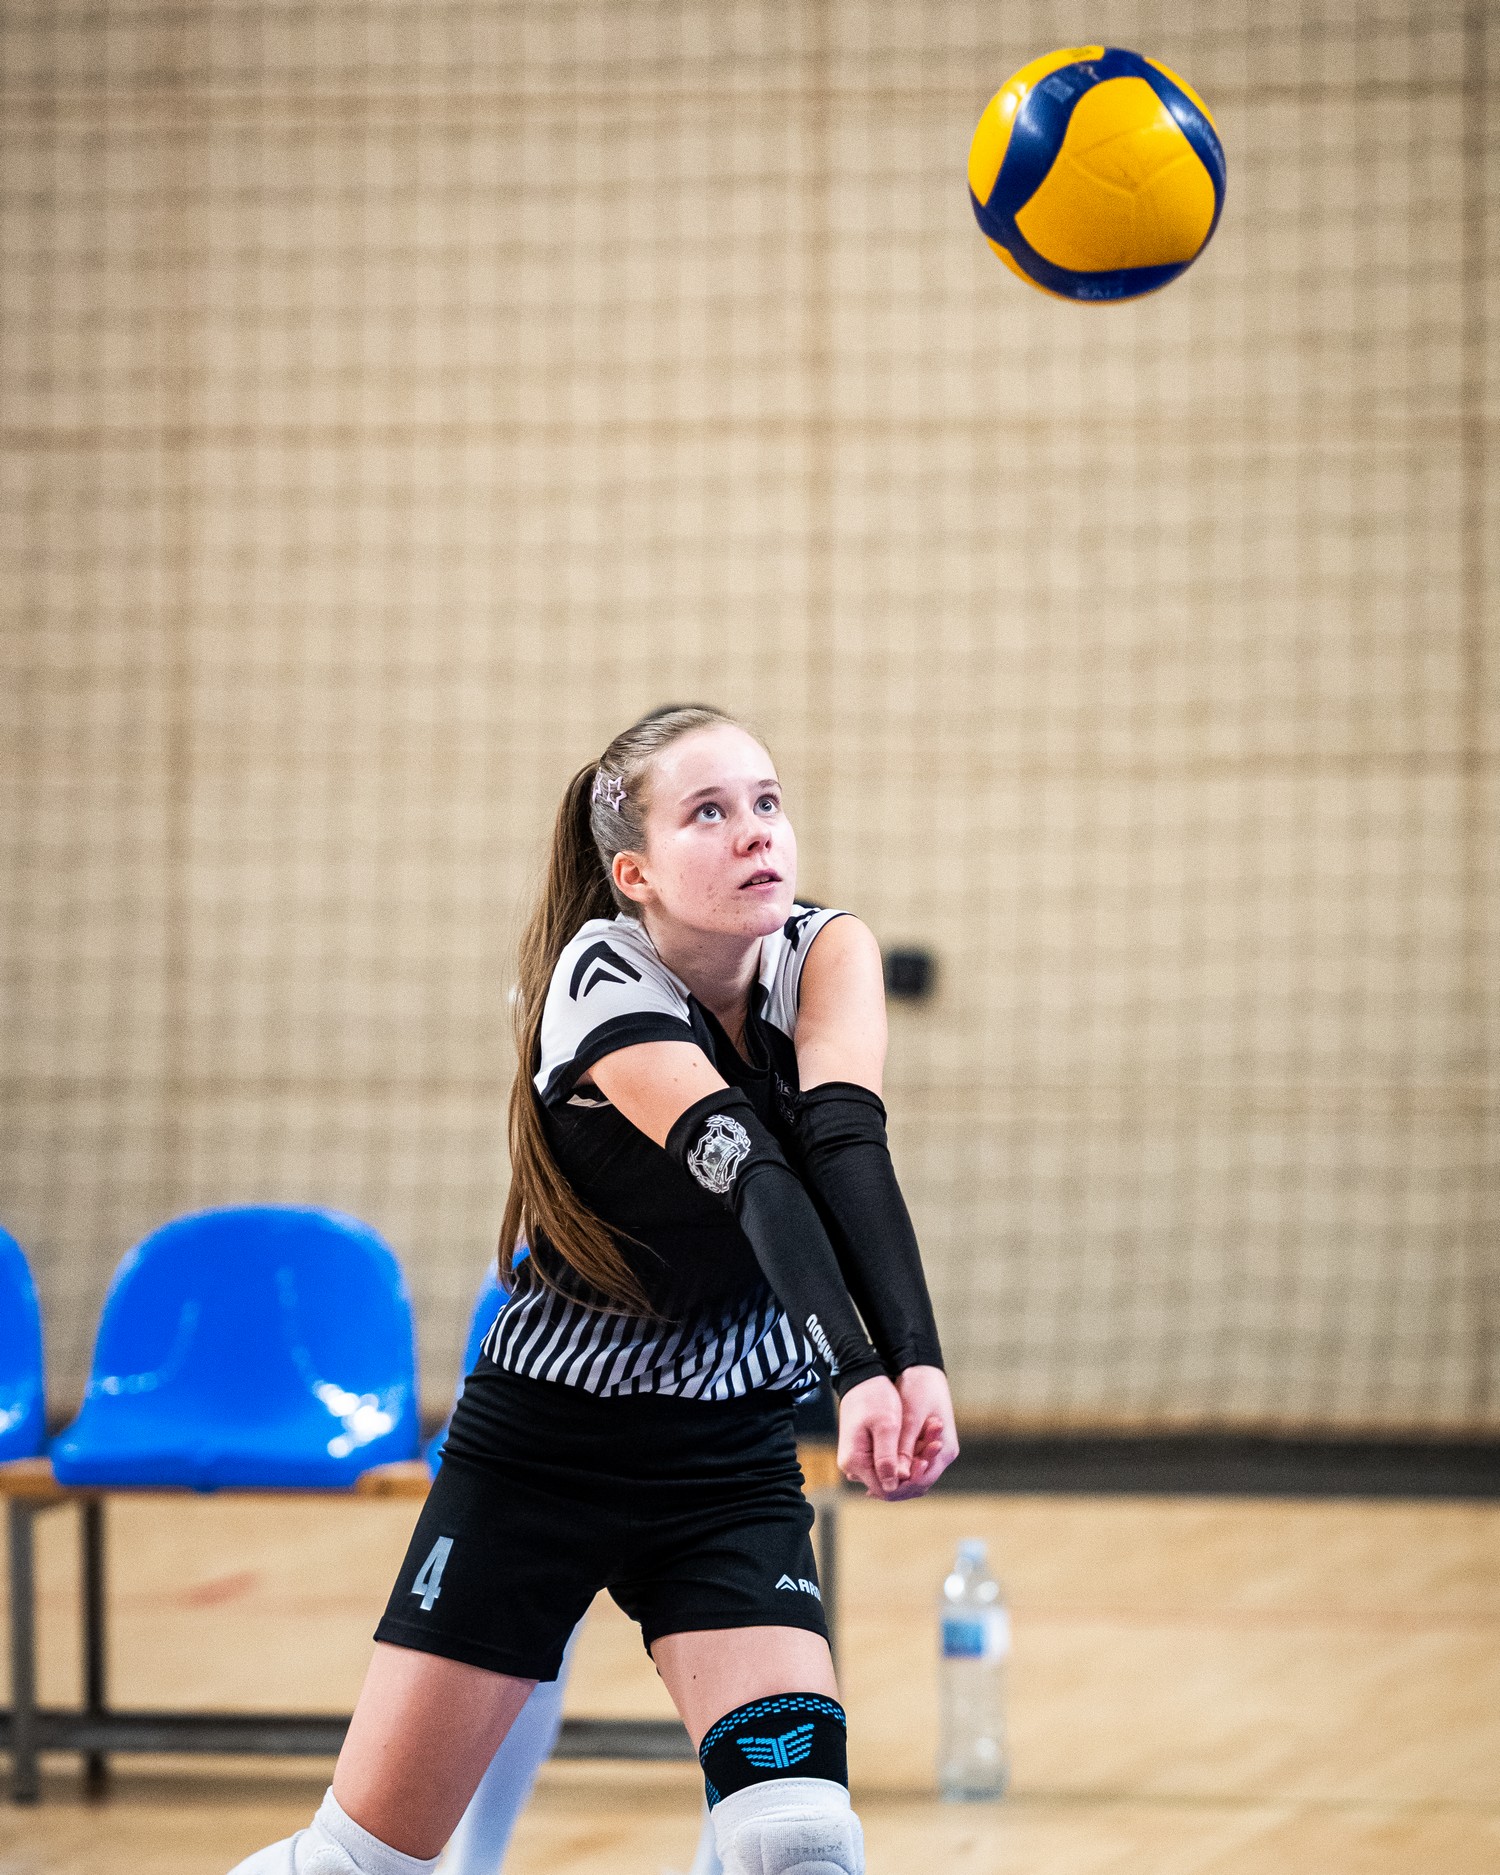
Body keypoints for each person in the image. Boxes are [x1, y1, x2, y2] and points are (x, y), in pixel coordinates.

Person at [231, 703, 958, 1875]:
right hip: (543, 1453)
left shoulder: (825, 951)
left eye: (767, 802)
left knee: (801, 1840)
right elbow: (753, 1172)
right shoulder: (599, 975)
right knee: (361, 1865)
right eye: (708, 813)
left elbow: (845, 1150)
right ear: (636, 873)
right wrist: (858, 1372)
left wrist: (916, 1365)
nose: (755, 832)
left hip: (724, 1459)